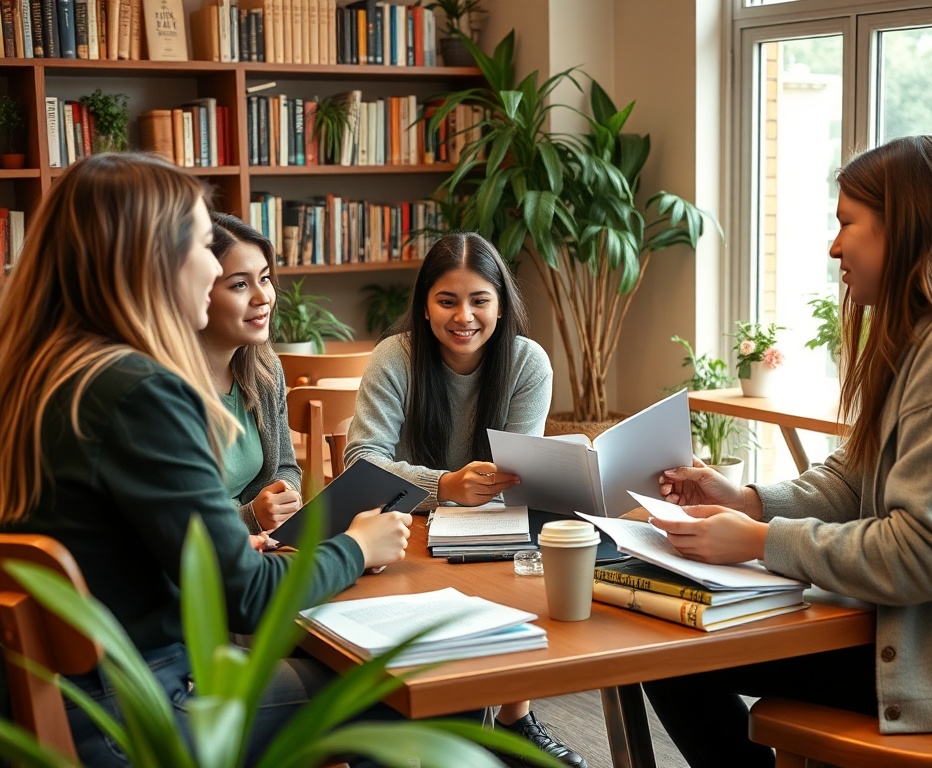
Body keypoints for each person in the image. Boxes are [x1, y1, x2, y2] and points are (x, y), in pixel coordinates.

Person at [0, 153, 413, 766]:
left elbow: (98, 543)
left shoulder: (41, 373)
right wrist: (358, 546)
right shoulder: (139, 389)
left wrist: (212, 549)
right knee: (412, 690)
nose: (212, 265)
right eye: (201, 245)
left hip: (57, 701)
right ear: (152, 260)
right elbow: (247, 599)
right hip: (142, 707)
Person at [643, 135, 932, 767]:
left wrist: (762, 541)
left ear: (904, 228)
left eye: (848, 223)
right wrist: (747, 501)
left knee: (670, 648)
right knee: (672, 637)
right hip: (915, 637)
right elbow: (854, 479)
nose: (834, 246)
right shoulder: (928, 333)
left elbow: (922, 556)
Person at [344, 231, 588, 768]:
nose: (464, 317)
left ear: (501, 306)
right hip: (404, 532)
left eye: (479, 300)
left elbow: (520, 473)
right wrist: (445, 486)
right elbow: (361, 461)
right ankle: (469, 728)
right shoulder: (397, 357)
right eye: (447, 300)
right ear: (425, 307)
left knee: (530, 576)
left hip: (494, 529)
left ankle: (512, 719)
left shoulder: (527, 363)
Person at [199, 211, 301, 546]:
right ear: (196, 293)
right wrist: (251, 515)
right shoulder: (166, 388)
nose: (263, 299)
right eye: (240, 284)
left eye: (265, 279)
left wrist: (285, 497)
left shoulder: (265, 368)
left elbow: (286, 466)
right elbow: (173, 520)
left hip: (263, 547)